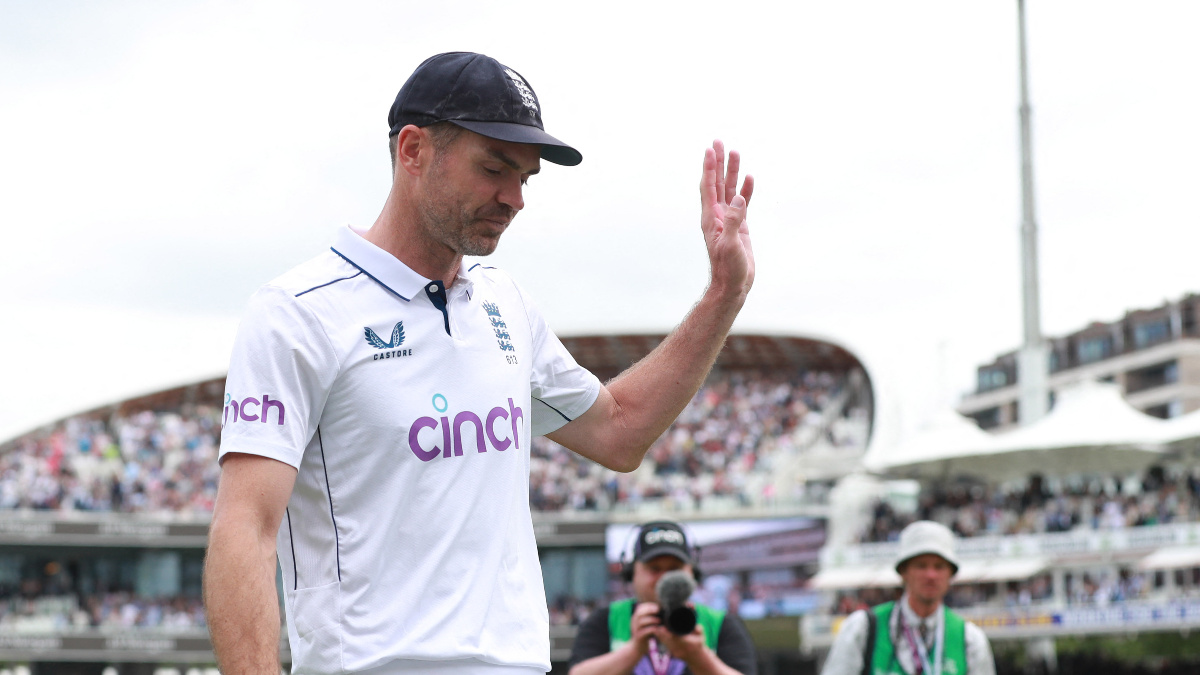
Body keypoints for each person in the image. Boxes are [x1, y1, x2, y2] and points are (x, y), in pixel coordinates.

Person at [203, 51, 755, 675]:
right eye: (495, 168)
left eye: (525, 177)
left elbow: (621, 430)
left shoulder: (505, 304)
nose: (514, 198)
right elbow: (245, 528)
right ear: (413, 150)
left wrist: (723, 294)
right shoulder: (298, 312)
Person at [568, 521, 757, 675]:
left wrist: (698, 656)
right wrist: (634, 649)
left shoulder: (719, 623)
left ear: (693, 573)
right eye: (654, 568)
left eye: (675, 568)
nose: (665, 578)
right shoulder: (606, 620)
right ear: (631, 573)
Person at [820, 521, 996, 675]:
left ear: (951, 574)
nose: (931, 575)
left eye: (939, 566)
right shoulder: (863, 629)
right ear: (903, 572)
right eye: (921, 566)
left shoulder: (970, 639)